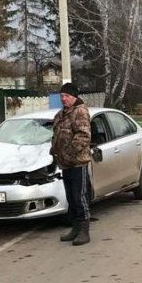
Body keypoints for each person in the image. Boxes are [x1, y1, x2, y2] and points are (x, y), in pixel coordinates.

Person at [50, 82, 92, 246]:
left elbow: (83, 136)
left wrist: (69, 152)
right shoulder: (62, 114)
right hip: (65, 163)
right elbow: (57, 135)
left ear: (74, 97)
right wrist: (54, 150)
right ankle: (75, 228)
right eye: (61, 96)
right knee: (71, 198)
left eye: (66, 96)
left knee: (79, 197)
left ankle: (84, 230)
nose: (63, 99)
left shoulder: (80, 112)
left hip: (77, 162)